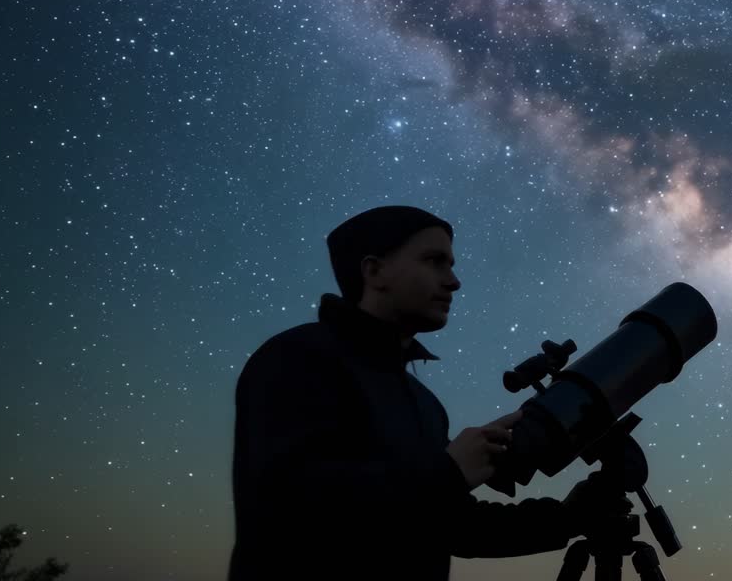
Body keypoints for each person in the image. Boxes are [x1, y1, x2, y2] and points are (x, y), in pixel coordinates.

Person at [228, 205, 627, 580]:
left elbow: (455, 527)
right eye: (434, 261)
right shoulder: (297, 358)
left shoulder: (425, 404)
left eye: (451, 265)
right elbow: (294, 507)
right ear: (374, 271)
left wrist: (567, 518)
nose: (454, 281)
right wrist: (449, 472)